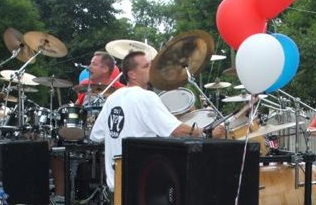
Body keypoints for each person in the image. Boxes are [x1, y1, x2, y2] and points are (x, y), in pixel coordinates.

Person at [89, 50, 226, 191]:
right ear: (132, 74)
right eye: (146, 66)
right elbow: (177, 130)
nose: (151, 69)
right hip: (140, 184)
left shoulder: (113, 98)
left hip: (116, 184)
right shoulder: (146, 97)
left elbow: (96, 135)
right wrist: (207, 134)